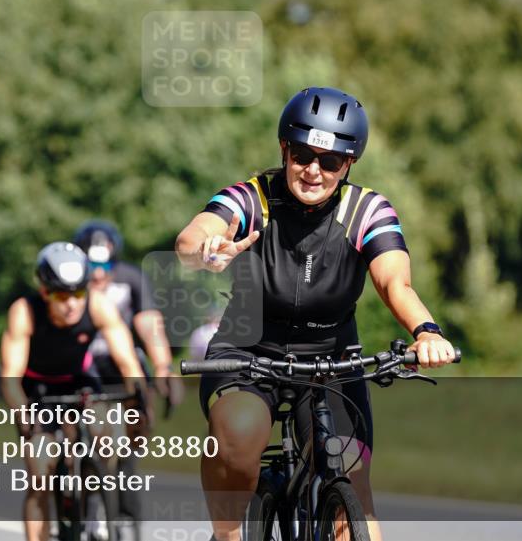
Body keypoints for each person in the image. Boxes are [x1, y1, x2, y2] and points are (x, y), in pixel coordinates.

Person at [175, 87, 457, 541]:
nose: (313, 171)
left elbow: (394, 282)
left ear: (349, 164)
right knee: (239, 437)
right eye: (303, 155)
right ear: (285, 148)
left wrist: (425, 330)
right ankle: (227, 535)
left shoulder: (366, 210)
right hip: (248, 354)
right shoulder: (253, 197)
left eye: (330, 161)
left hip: (332, 358)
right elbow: (193, 237)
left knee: (352, 485)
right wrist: (205, 250)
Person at [0, 242, 148, 541]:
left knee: (104, 431)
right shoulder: (24, 312)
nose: (72, 304)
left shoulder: (97, 304)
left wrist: (138, 398)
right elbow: (10, 379)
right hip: (37, 390)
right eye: (61, 295)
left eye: (78, 293)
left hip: (79, 382)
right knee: (40, 473)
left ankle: (94, 497)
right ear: (44, 292)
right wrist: (23, 414)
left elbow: (127, 360)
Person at [73, 220, 183, 406]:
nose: (98, 274)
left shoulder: (131, 277)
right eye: (92, 266)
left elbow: (149, 323)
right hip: (83, 358)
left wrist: (163, 366)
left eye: (105, 266)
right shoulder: (70, 283)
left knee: (140, 411)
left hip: (126, 357)